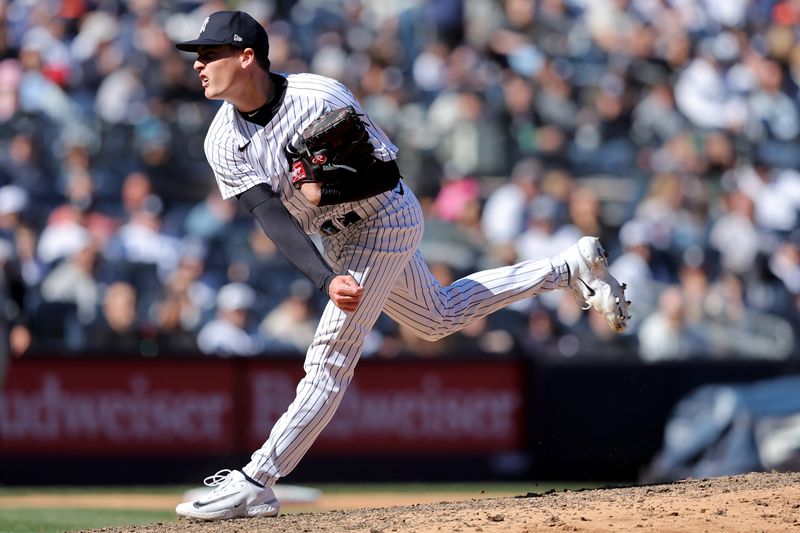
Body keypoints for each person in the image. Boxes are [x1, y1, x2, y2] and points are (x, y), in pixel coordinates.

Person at [173, 10, 630, 521]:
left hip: (384, 218)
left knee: (329, 359)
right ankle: (567, 268)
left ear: (247, 56)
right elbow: (269, 214)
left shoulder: (319, 97)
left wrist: (328, 188)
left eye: (209, 54)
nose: (199, 65)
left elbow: (387, 172)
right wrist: (325, 277)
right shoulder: (220, 139)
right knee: (437, 318)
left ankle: (259, 478)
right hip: (336, 245)